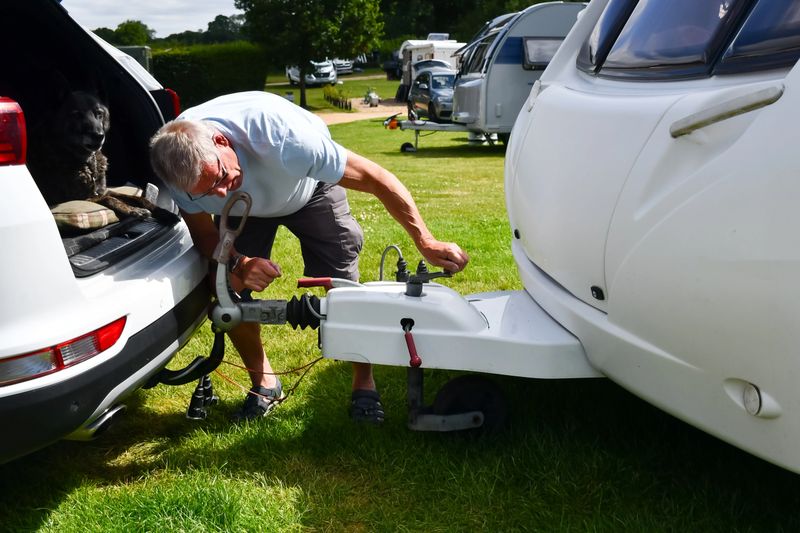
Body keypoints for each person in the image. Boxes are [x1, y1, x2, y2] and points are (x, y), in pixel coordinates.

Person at [149, 91, 469, 424]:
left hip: (308, 188)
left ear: (221, 141)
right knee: (227, 286)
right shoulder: (180, 175)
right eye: (204, 193)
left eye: (218, 178)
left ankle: (364, 381)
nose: (220, 193)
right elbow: (205, 236)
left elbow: (377, 179)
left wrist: (426, 241)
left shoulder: (283, 140)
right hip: (247, 211)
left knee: (344, 288)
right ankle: (265, 384)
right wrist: (240, 262)